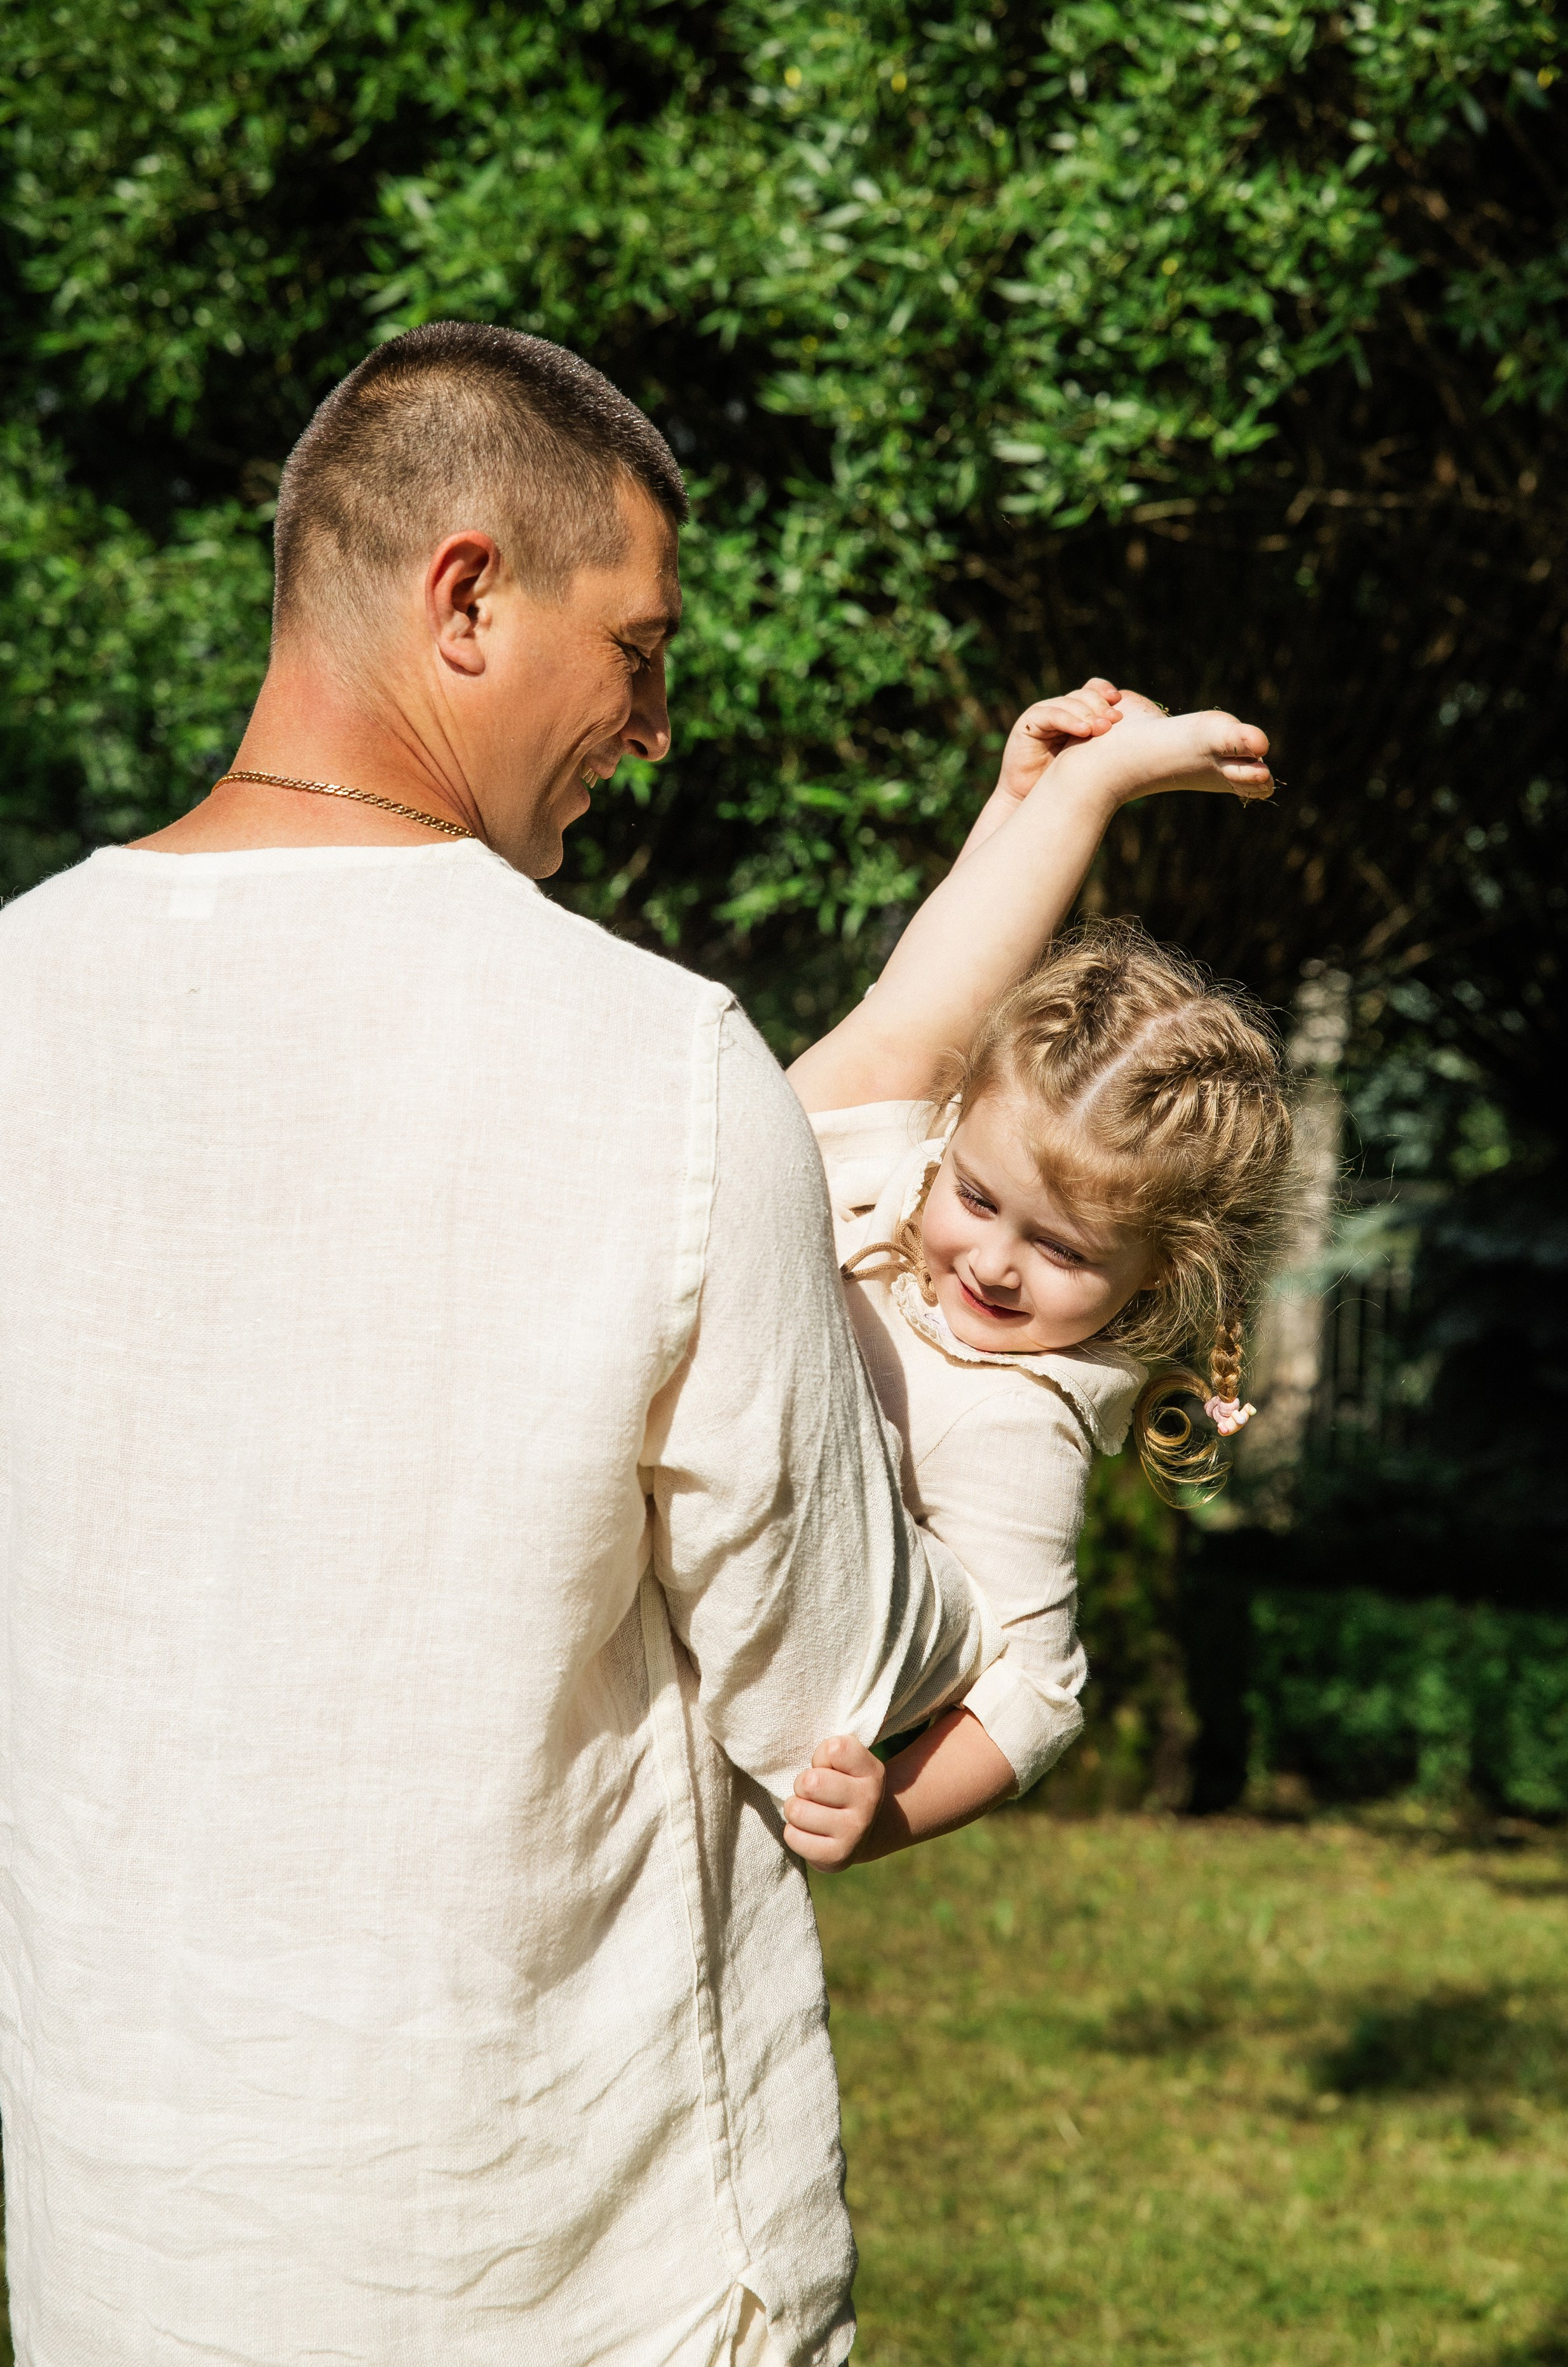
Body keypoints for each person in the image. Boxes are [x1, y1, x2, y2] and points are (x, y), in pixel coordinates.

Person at [0, 324, 1004, 2367]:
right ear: (468, 593)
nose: (653, 727)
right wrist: (981, 1425)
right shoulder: (655, 1064)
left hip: (129, 2248)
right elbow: (825, 1679)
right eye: (638, 648)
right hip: (570, 2271)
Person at [774, 688, 1295, 1871]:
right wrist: (1018, 810)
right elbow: (923, 1007)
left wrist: (889, 1810)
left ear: (1158, 1278)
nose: (995, 1262)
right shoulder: (911, 1193)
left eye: (1062, 1252)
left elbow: (1040, 1691)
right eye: (978, 1196)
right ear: (956, 1134)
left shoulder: (1011, 1420)